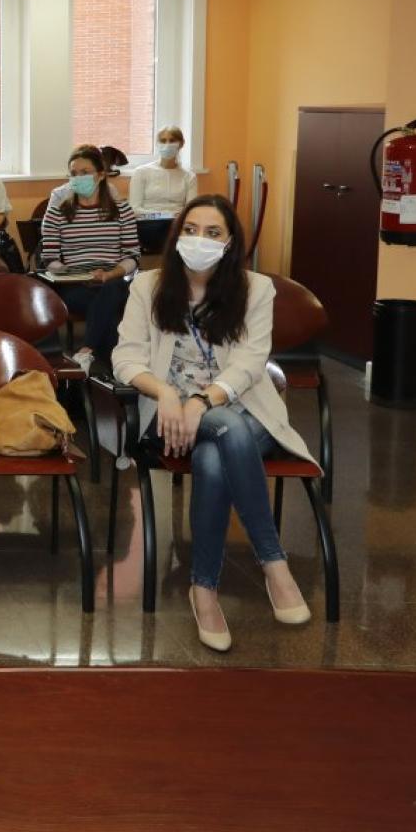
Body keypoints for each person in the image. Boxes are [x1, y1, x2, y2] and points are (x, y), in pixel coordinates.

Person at [112, 196, 314, 652]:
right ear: (176, 234)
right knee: (216, 448)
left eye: (213, 232)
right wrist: (165, 393)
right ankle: (270, 569)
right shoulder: (147, 287)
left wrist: (203, 401)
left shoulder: (256, 289)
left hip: (246, 411)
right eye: (190, 229)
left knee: (224, 431)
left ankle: (207, 590)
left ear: (230, 242)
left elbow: (248, 364)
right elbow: (125, 357)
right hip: (172, 416)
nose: (199, 239)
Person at [39, 144, 142, 367]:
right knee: (109, 312)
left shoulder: (122, 210)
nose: (78, 178)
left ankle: (86, 351)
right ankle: (112, 368)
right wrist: (69, 273)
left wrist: (110, 273)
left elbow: (132, 256)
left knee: (111, 289)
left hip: (113, 279)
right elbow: (50, 258)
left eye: (85, 173)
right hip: (75, 285)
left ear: (101, 175)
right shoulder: (58, 211)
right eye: (74, 174)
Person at [131, 126, 200, 255]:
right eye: (163, 141)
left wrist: (174, 217)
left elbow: (191, 209)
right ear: (157, 144)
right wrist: (163, 215)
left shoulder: (189, 176)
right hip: (148, 225)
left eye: (172, 140)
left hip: (176, 225)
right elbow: (135, 209)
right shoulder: (141, 172)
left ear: (181, 144)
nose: (167, 145)